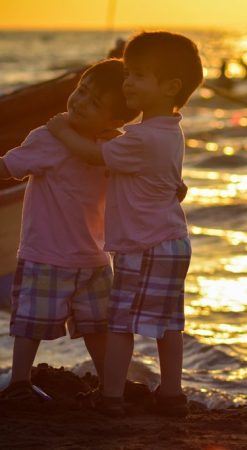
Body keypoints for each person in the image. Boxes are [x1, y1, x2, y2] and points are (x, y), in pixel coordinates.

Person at [46, 31, 204, 417]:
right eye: (128, 73)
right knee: (168, 324)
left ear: (170, 87)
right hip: (171, 241)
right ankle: (171, 395)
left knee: (120, 324)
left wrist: (60, 129)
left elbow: (91, 153)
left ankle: (110, 397)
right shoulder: (168, 131)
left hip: (143, 246)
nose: (127, 82)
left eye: (138, 76)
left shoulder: (139, 140)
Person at [0, 59, 138, 402]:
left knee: (99, 327)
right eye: (81, 91)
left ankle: (109, 384)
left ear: (115, 121)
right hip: (45, 255)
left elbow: (140, 180)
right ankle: (19, 382)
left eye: (93, 103)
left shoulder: (113, 148)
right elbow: (9, 167)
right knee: (30, 324)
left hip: (94, 258)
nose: (79, 102)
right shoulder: (47, 138)